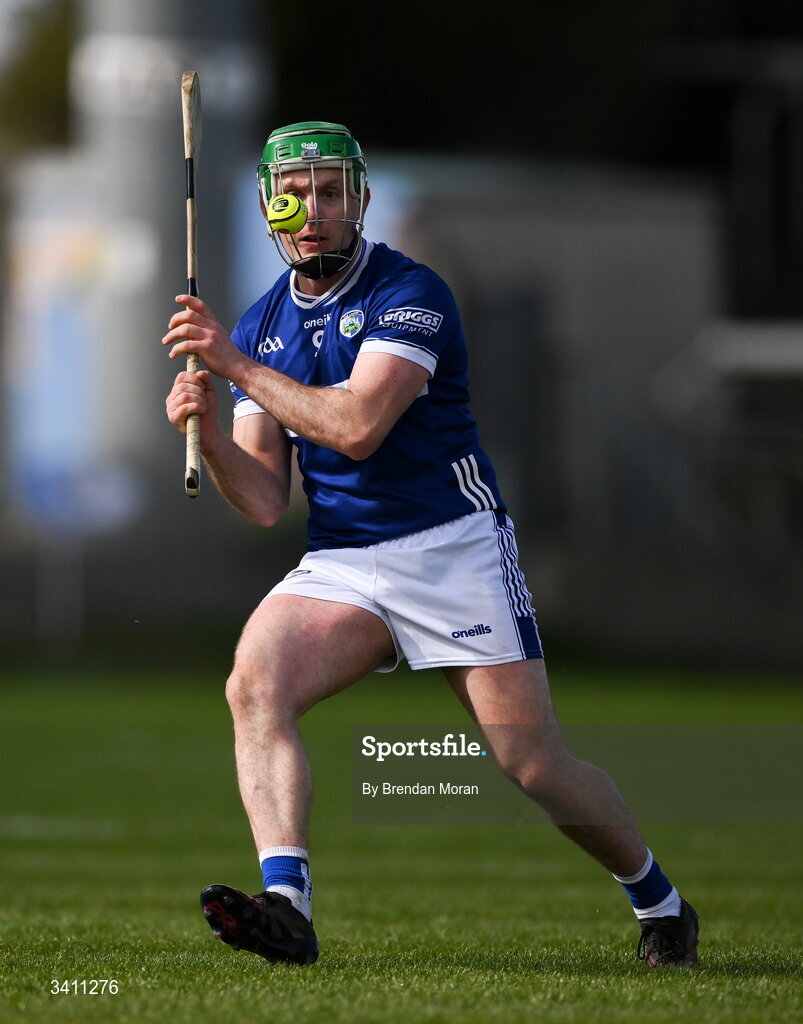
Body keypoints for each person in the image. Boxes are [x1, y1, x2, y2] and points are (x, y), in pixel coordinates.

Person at [163, 121, 699, 969]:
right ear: (269, 207)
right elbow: (266, 501)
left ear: (361, 199)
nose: (312, 211)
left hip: (453, 549)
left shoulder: (411, 293)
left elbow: (358, 427)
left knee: (531, 764)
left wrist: (230, 367)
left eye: (331, 191)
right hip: (343, 558)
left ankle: (660, 902)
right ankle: (287, 905)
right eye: (292, 193)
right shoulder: (264, 327)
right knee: (254, 685)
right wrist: (212, 435)